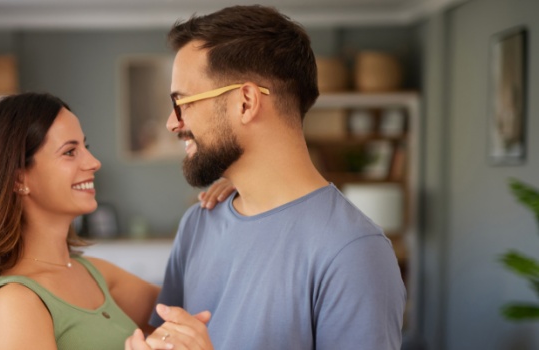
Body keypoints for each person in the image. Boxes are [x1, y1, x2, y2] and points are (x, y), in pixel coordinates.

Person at [127, 5, 406, 350]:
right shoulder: (198, 224)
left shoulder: (353, 252)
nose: (173, 123)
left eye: (182, 102)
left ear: (246, 102)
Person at [0, 92, 230, 350]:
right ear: (18, 178)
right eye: (70, 152)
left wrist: (246, 194)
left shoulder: (94, 273)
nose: (93, 162)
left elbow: (210, 308)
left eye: (85, 147)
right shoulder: (13, 303)